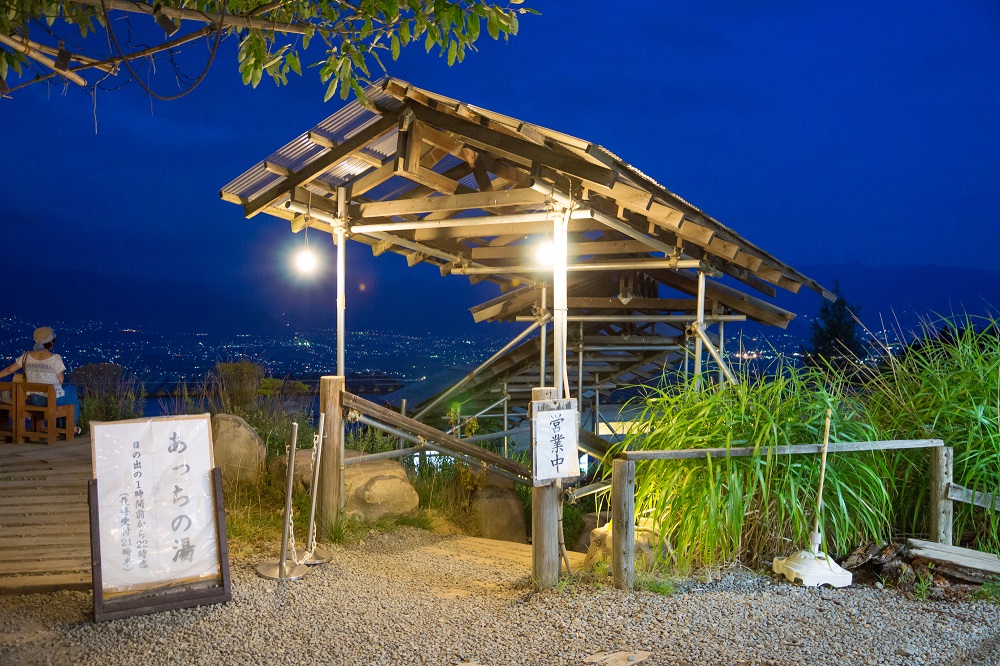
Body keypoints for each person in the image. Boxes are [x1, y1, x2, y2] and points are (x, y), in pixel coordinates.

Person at [0, 326, 81, 434]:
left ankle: (63, 427)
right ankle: (71, 428)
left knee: (67, 393)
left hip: (33, 398)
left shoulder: (26, 356)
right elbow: (60, 381)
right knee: (70, 391)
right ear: (51, 342)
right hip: (50, 399)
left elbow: (9, 369)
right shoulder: (55, 358)